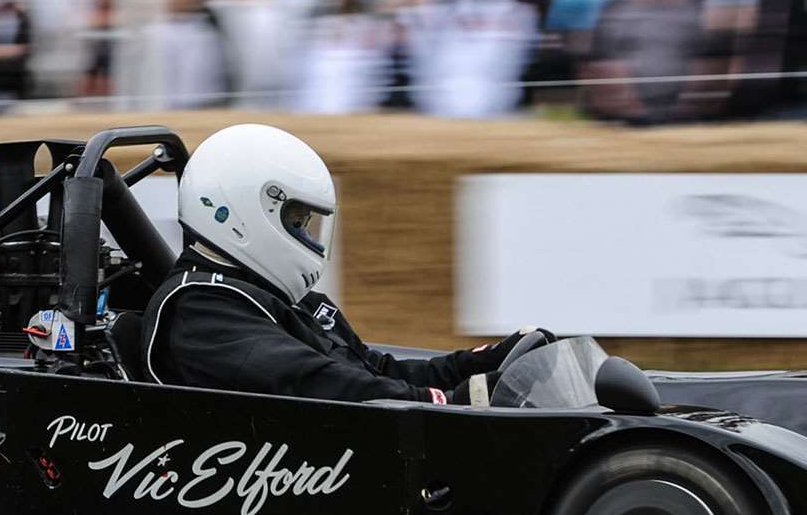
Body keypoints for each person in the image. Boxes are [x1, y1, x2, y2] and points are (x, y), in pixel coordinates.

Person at [136, 124, 534, 403]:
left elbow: (374, 372)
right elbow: (316, 383)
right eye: (296, 222)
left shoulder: (281, 299)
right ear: (235, 214)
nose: (308, 238)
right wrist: (445, 402)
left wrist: (475, 364)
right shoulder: (200, 308)